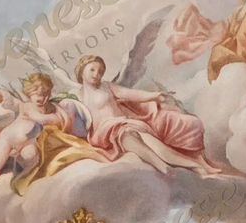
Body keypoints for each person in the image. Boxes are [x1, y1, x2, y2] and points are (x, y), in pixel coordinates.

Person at [68, 54, 228, 176]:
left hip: (123, 124)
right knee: (128, 139)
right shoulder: (76, 96)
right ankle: (162, 167)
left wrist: (153, 96)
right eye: (92, 70)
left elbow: (131, 94)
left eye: (100, 71)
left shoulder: (107, 86)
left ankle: (195, 165)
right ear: (81, 71)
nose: (97, 74)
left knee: (154, 144)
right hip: (105, 133)